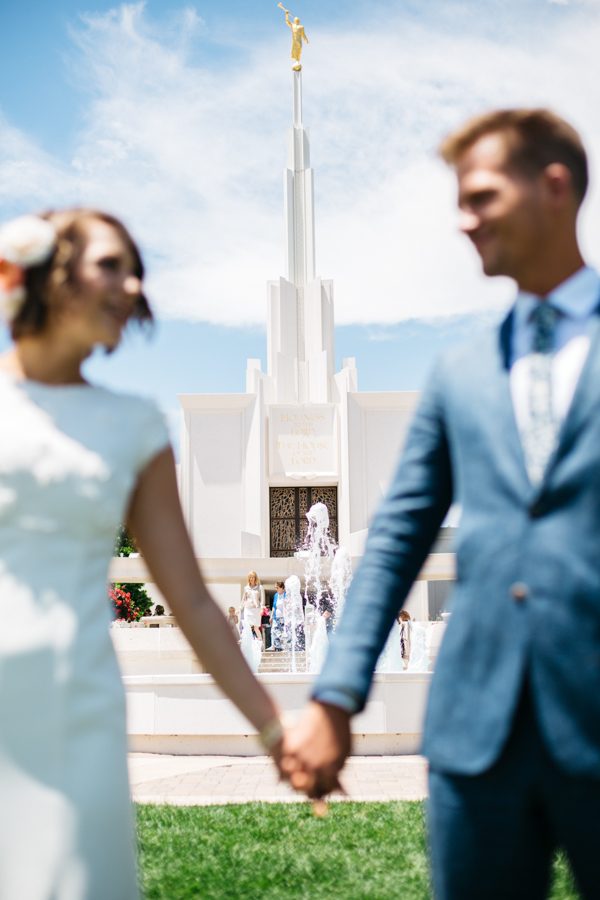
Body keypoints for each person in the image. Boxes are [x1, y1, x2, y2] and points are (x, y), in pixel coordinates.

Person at [283, 109, 600, 899]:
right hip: (473, 741)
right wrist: (334, 695)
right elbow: (396, 536)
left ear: (554, 187)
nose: (463, 221)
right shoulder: (458, 371)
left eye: (481, 196)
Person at [0, 208, 285, 900]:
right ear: (47, 270)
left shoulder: (135, 428)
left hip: (80, 717)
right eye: (111, 265)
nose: (132, 287)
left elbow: (189, 600)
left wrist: (276, 734)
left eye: (137, 273)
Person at [241, 570, 264, 641]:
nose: (252, 579)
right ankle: (246, 641)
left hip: (256, 610)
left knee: (256, 627)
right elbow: (243, 599)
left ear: (255, 578)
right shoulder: (246, 588)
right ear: (248, 578)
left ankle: (260, 642)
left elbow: (262, 599)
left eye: (253, 577)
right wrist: (240, 608)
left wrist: (262, 608)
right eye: (250, 577)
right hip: (247, 609)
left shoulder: (260, 587)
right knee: (247, 626)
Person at [271, 581, 286, 650]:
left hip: (283, 617)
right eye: (275, 588)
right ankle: (277, 647)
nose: (276, 589)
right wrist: (271, 616)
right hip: (276, 617)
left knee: (283, 631)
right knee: (274, 630)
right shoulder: (276, 595)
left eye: (277, 588)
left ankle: (284, 646)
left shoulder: (286, 595)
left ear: (282, 588)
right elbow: (274, 606)